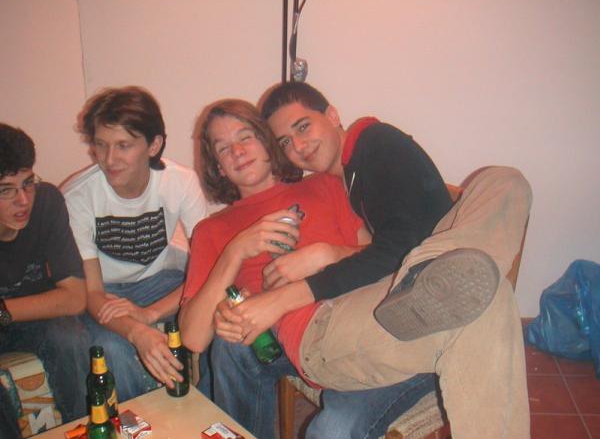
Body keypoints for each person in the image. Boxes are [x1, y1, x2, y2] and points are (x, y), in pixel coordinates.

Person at [212, 82, 532, 438]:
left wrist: (314, 267)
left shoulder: (375, 143)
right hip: (392, 295)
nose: (298, 146)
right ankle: (430, 274)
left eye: (303, 127)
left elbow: (403, 242)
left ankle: (427, 272)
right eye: (286, 142)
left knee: (503, 181)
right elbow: (385, 250)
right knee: (492, 292)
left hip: (410, 279)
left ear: (332, 115)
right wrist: (327, 255)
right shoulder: (340, 182)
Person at [179, 99, 437, 439]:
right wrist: (236, 250)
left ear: (268, 142)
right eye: (224, 148)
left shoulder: (325, 185)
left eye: (246, 137)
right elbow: (194, 339)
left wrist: (327, 255)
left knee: (330, 430)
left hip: (362, 324)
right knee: (231, 340)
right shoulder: (212, 230)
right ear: (219, 167)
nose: (238, 152)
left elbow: (382, 257)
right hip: (292, 340)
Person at [61, 86, 208, 402]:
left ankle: (206, 411)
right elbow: (91, 293)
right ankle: (142, 423)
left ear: (154, 145)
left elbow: (206, 270)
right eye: (101, 145)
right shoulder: (77, 196)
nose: (109, 159)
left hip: (161, 282)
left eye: (123, 146)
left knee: (211, 313)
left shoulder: (180, 181)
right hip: (106, 294)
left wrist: (149, 313)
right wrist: (137, 331)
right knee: (112, 348)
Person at [0, 123, 90, 437]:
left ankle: (84, 429)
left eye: (28, 183)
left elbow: (75, 297)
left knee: (69, 338)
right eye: (6, 190)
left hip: (33, 317)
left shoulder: (47, 201)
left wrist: (3, 311)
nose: (23, 200)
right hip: (30, 309)